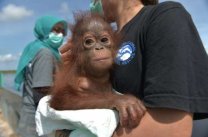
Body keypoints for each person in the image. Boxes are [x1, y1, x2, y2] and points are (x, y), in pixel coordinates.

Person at [60, 0, 208, 137]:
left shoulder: (163, 16)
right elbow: (74, 95)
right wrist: (71, 69)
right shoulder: (110, 40)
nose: (93, 3)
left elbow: (170, 129)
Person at [14, 15, 67, 137]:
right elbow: (42, 88)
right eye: (55, 30)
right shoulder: (45, 53)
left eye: (62, 31)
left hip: (29, 113)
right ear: (44, 30)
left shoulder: (35, 48)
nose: (59, 34)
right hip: (36, 119)